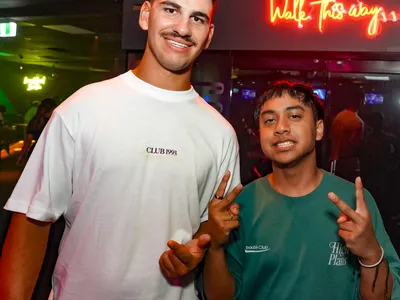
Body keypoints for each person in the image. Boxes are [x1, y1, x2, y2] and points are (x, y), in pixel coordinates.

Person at [0, 0, 242, 299]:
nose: (182, 28)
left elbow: (208, 225)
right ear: (145, 15)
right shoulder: (83, 108)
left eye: (197, 18)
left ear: (209, 34)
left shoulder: (220, 133)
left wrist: (197, 253)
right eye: (171, 10)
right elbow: (32, 218)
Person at [199, 81, 400, 300]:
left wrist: (371, 254)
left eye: (294, 116)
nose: (281, 127)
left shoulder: (354, 201)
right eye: (269, 120)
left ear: (319, 129)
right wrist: (215, 248)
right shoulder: (242, 205)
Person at [17, 98, 57, 165]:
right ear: (53, 108)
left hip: (35, 153)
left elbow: (28, 140)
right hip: (51, 154)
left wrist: (22, 154)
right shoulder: (55, 121)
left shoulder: (34, 122)